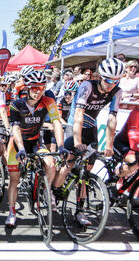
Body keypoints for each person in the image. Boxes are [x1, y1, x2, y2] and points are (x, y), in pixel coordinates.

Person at [52, 58, 125, 226]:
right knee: (69, 163)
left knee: (86, 171)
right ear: (100, 76)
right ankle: (54, 191)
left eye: (116, 81)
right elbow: (78, 114)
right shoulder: (87, 86)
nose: (111, 85)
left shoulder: (117, 91)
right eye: (108, 80)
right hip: (74, 125)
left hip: (91, 128)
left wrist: (109, 145)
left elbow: (112, 118)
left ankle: (80, 210)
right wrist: (77, 141)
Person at [5, 70, 66, 227]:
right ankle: (12, 212)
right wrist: (21, 149)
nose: (38, 92)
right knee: (14, 179)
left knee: (51, 163)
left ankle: (45, 190)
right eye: (34, 88)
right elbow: (16, 128)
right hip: (17, 144)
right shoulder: (16, 105)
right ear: (27, 88)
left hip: (35, 141)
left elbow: (57, 123)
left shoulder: (48, 101)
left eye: (41, 88)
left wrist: (61, 146)